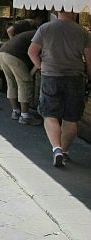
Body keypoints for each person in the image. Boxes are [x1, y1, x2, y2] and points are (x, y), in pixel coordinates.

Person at [28, 11, 91, 167]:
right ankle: (65, 151)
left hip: (51, 75)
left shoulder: (45, 28)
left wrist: (41, 66)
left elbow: (32, 52)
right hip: (75, 78)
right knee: (71, 117)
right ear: (73, 11)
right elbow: (89, 59)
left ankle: (56, 148)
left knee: (50, 114)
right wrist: (89, 77)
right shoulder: (82, 31)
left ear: (57, 11)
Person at [0, 20, 42, 125]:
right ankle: (25, 116)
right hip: (14, 56)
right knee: (25, 83)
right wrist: (30, 74)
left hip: (2, 52)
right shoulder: (42, 36)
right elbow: (38, 57)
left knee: (11, 82)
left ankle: (16, 111)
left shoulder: (31, 33)